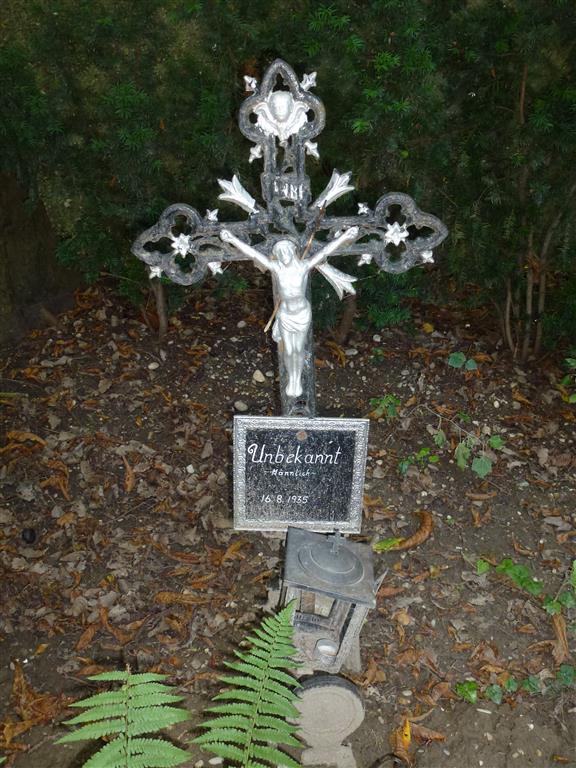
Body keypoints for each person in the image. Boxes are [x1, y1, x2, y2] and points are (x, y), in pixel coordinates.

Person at [220, 227, 359, 398]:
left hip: (301, 315)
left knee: (298, 349)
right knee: (289, 349)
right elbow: (254, 254)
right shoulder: (277, 268)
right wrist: (232, 239)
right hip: (285, 314)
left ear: (293, 251)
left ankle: (296, 379)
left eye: (286, 251)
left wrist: (344, 236)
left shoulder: (303, 266)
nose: (283, 255)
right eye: (280, 252)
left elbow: (324, 252)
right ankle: (291, 379)